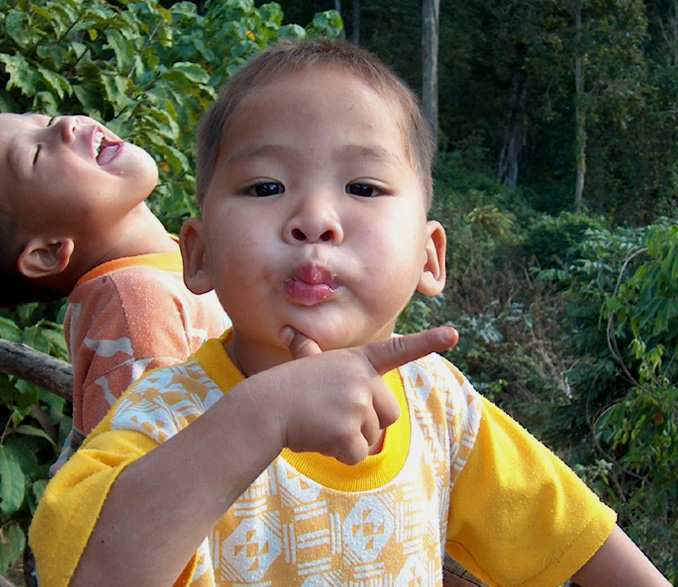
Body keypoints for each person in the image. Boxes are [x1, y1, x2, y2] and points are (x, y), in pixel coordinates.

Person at [28, 39, 671, 587]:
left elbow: (578, 537)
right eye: (265, 188)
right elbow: (93, 568)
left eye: (363, 188)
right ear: (197, 256)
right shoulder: (165, 415)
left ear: (429, 256)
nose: (315, 219)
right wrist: (264, 415)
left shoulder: (440, 407)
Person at [0, 112, 229, 471]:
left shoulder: (157, 268)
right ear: (47, 251)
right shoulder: (136, 304)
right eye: (36, 155)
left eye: (44, 119)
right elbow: (153, 480)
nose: (65, 125)